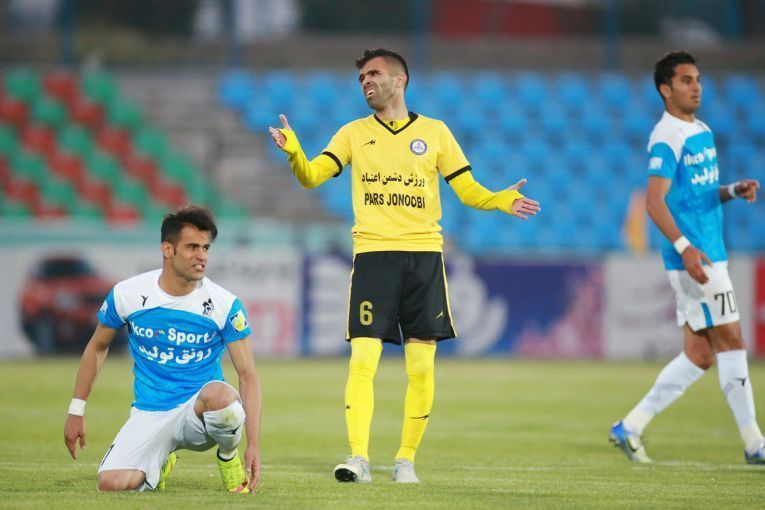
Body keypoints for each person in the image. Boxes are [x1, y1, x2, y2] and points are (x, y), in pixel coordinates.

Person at [268, 48, 540, 483]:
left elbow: (467, 190)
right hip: (373, 257)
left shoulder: (435, 133)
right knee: (362, 360)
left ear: (400, 80)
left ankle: (405, 461)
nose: (366, 82)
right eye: (361, 77)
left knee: (421, 367)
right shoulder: (353, 134)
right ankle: (358, 458)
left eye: (373, 74)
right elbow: (311, 176)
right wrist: (296, 152)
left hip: (423, 258)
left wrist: (500, 199)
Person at [609, 51, 763, 464]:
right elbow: (654, 202)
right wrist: (685, 247)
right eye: (685, 80)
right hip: (696, 258)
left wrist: (732, 191)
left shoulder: (702, 130)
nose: (696, 87)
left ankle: (631, 426)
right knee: (733, 340)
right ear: (665, 89)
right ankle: (754, 443)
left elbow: (697, 195)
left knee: (700, 355)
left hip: (709, 251)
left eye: (697, 79)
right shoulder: (667, 136)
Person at [64, 206, 262, 492]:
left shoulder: (224, 304)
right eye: (192, 247)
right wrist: (76, 410)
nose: (202, 256)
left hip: (200, 414)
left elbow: (248, 376)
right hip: (150, 412)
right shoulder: (128, 294)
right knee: (112, 484)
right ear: (167, 249)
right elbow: (97, 348)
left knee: (223, 398)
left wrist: (253, 444)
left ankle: (228, 457)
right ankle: (160, 461)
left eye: (206, 247)